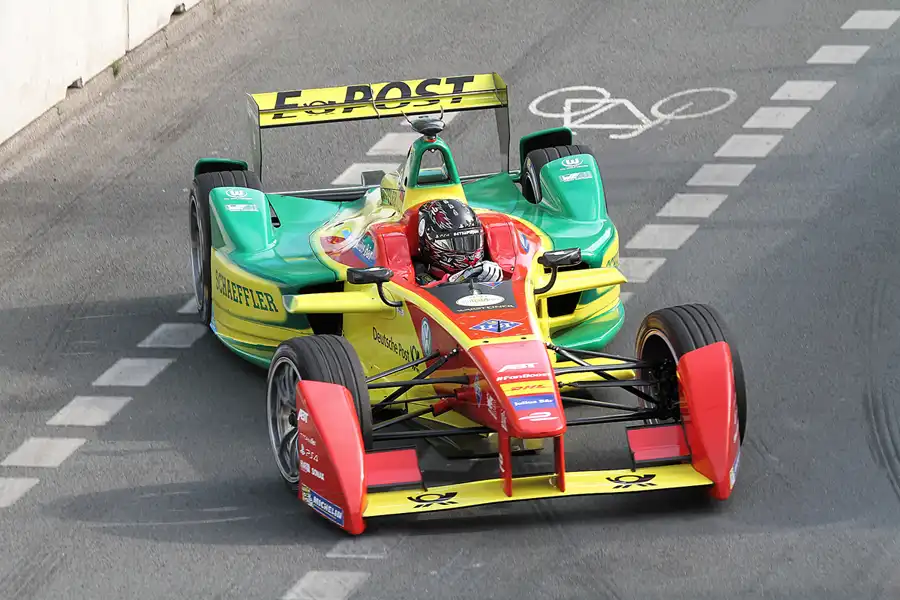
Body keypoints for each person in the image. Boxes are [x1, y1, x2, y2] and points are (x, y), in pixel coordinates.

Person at [414, 198, 503, 287]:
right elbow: (416, 290)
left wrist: (495, 274)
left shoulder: (485, 262)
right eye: (455, 243)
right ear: (429, 239)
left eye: (472, 241)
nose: (467, 251)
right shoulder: (415, 269)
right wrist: (457, 279)